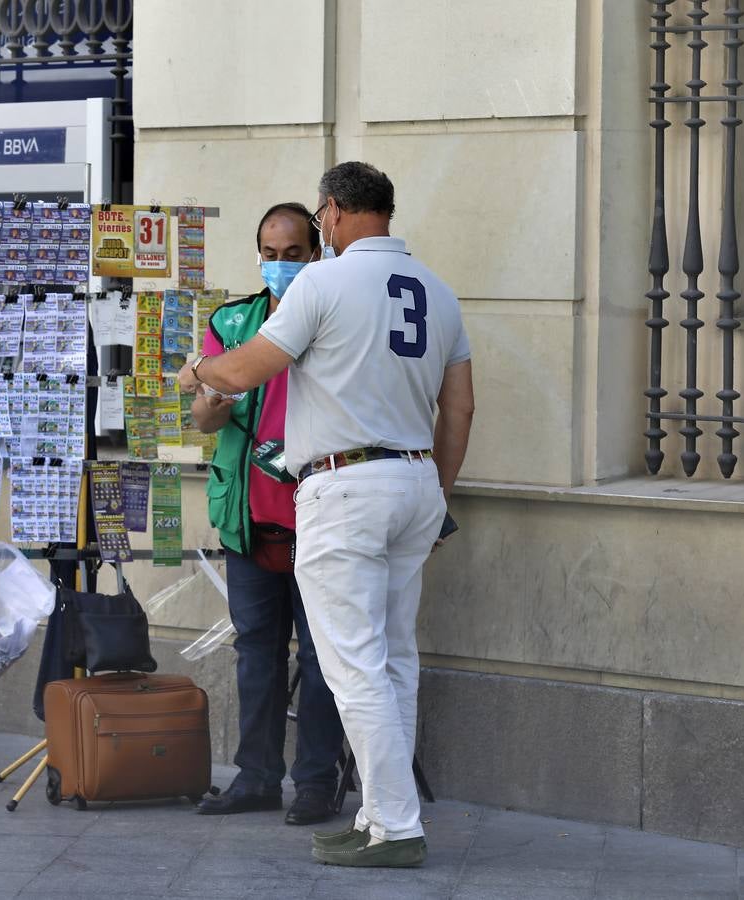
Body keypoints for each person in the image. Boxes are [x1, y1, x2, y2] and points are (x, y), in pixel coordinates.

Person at [178, 162, 474, 868]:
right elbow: (458, 407)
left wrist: (198, 372)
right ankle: (378, 815)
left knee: (353, 666)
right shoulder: (437, 291)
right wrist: (440, 494)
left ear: (333, 214)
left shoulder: (324, 280)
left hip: (345, 489)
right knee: (395, 659)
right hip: (413, 482)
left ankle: (396, 826)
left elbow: (245, 371)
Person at [192, 203, 345, 827]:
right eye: (269, 253)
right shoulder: (233, 321)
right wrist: (218, 396)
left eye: (292, 253)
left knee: (319, 656)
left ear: (317, 253)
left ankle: (316, 780)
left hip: (321, 515)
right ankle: (255, 776)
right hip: (249, 516)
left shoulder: (336, 317)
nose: (279, 264)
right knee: (255, 651)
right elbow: (204, 418)